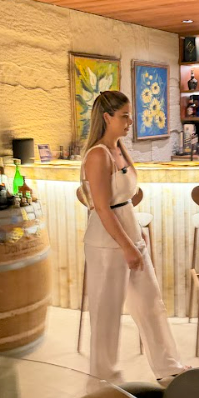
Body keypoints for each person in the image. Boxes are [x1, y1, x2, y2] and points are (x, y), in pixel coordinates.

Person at [80, 90, 187, 383]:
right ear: (107, 117)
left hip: (129, 231)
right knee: (106, 315)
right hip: (106, 243)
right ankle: (103, 381)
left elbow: (126, 199)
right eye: (124, 116)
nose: (130, 122)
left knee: (150, 304)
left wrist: (137, 233)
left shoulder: (120, 148)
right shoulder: (97, 155)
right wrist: (127, 245)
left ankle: (169, 368)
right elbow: (102, 208)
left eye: (130, 115)